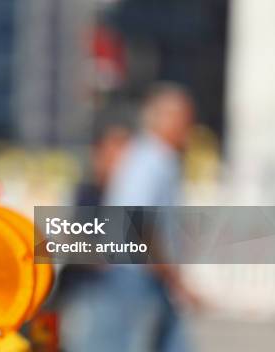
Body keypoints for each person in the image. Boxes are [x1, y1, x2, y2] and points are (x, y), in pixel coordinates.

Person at [59, 83, 199, 352]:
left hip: (140, 274)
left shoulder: (151, 158)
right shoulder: (154, 159)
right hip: (133, 275)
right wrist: (170, 274)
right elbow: (137, 220)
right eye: (184, 119)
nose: (189, 128)